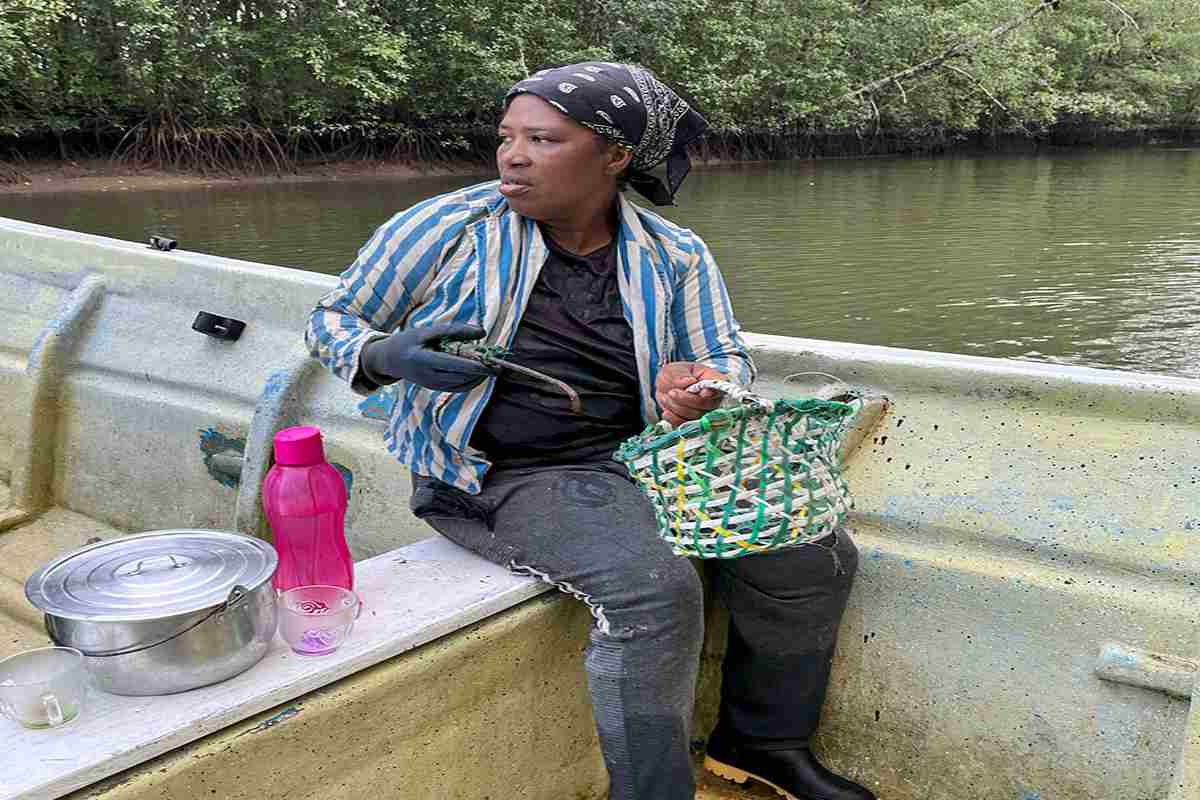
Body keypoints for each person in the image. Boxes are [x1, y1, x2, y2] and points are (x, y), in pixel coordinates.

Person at [305, 61, 873, 800]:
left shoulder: (675, 252)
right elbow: (331, 321)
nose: (512, 155)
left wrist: (697, 385)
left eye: (543, 139)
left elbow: (724, 355)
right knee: (653, 591)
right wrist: (382, 355)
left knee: (813, 554)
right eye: (507, 136)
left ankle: (763, 744)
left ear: (614, 156)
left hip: (645, 461)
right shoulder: (445, 228)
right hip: (500, 474)